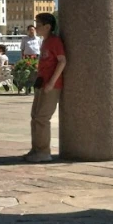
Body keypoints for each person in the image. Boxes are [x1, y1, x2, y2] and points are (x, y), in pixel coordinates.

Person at [25, 13, 65, 161]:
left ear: (48, 27)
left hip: (51, 86)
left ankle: (43, 152)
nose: (35, 28)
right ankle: (36, 149)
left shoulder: (55, 42)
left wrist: (52, 83)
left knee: (42, 118)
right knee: (35, 116)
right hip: (42, 83)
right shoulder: (45, 41)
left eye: (38, 25)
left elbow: (62, 61)